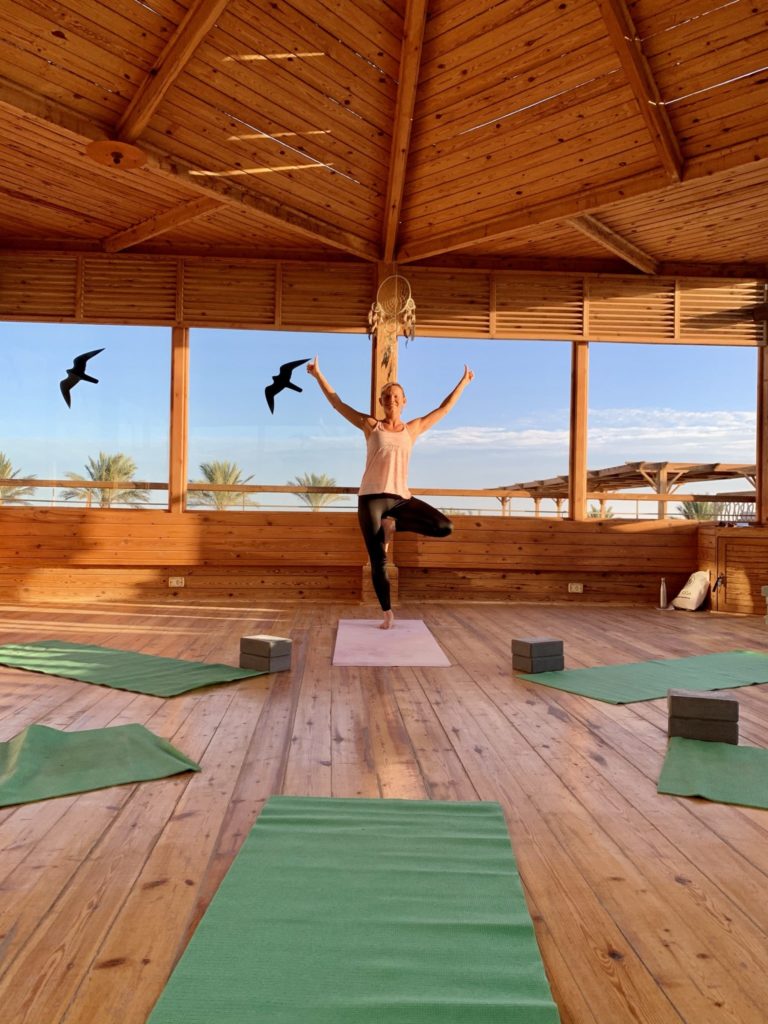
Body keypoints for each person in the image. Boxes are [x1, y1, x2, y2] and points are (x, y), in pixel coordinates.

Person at [307, 357, 474, 629]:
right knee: (378, 560)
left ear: (404, 401)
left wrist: (463, 383)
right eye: (387, 397)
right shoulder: (370, 425)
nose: (392, 400)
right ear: (382, 402)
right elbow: (338, 404)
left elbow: (443, 410)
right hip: (371, 498)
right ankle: (387, 613)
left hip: (400, 499)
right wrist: (318, 375)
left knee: (445, 526)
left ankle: (393, 525)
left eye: (396, 396)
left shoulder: (413, 428)